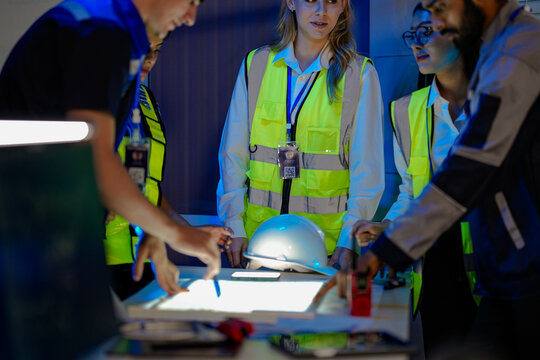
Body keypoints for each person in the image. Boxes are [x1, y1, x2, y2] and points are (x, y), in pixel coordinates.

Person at [316, 0, 540, 358]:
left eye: (440, 9)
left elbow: (471, 167)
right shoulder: (500, 51)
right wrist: (390, 229)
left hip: (522, 270)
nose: (432, 25)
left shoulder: (517, 51)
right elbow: (419, 187)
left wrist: (383, 254)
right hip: (489, 272)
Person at [0, 0, 232, 294]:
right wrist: (175, 233)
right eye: (190, 1)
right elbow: (93, 159)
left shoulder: (109, 31)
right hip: (29, 244)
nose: (190, 17)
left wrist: (152, 228)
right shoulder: (102, 33)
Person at [217, 0, 384, 269]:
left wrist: (348, 240)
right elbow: (232, 156)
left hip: (325, 252)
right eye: (310, 0)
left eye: (331, 1)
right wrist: (234, 225)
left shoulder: (359, 75)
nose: (321, 11)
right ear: (292, 3)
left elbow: (368, 173)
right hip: (259, 245)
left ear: (343, 6)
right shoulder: (256, 65)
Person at [352, 3, 479, 357]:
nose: (417, 44)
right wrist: (388, 227)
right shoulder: (405, 110)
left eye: (428, 33)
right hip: (438, 270)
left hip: (496, 267)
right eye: (413, 35)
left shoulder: (496, 102)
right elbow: (411, 191)